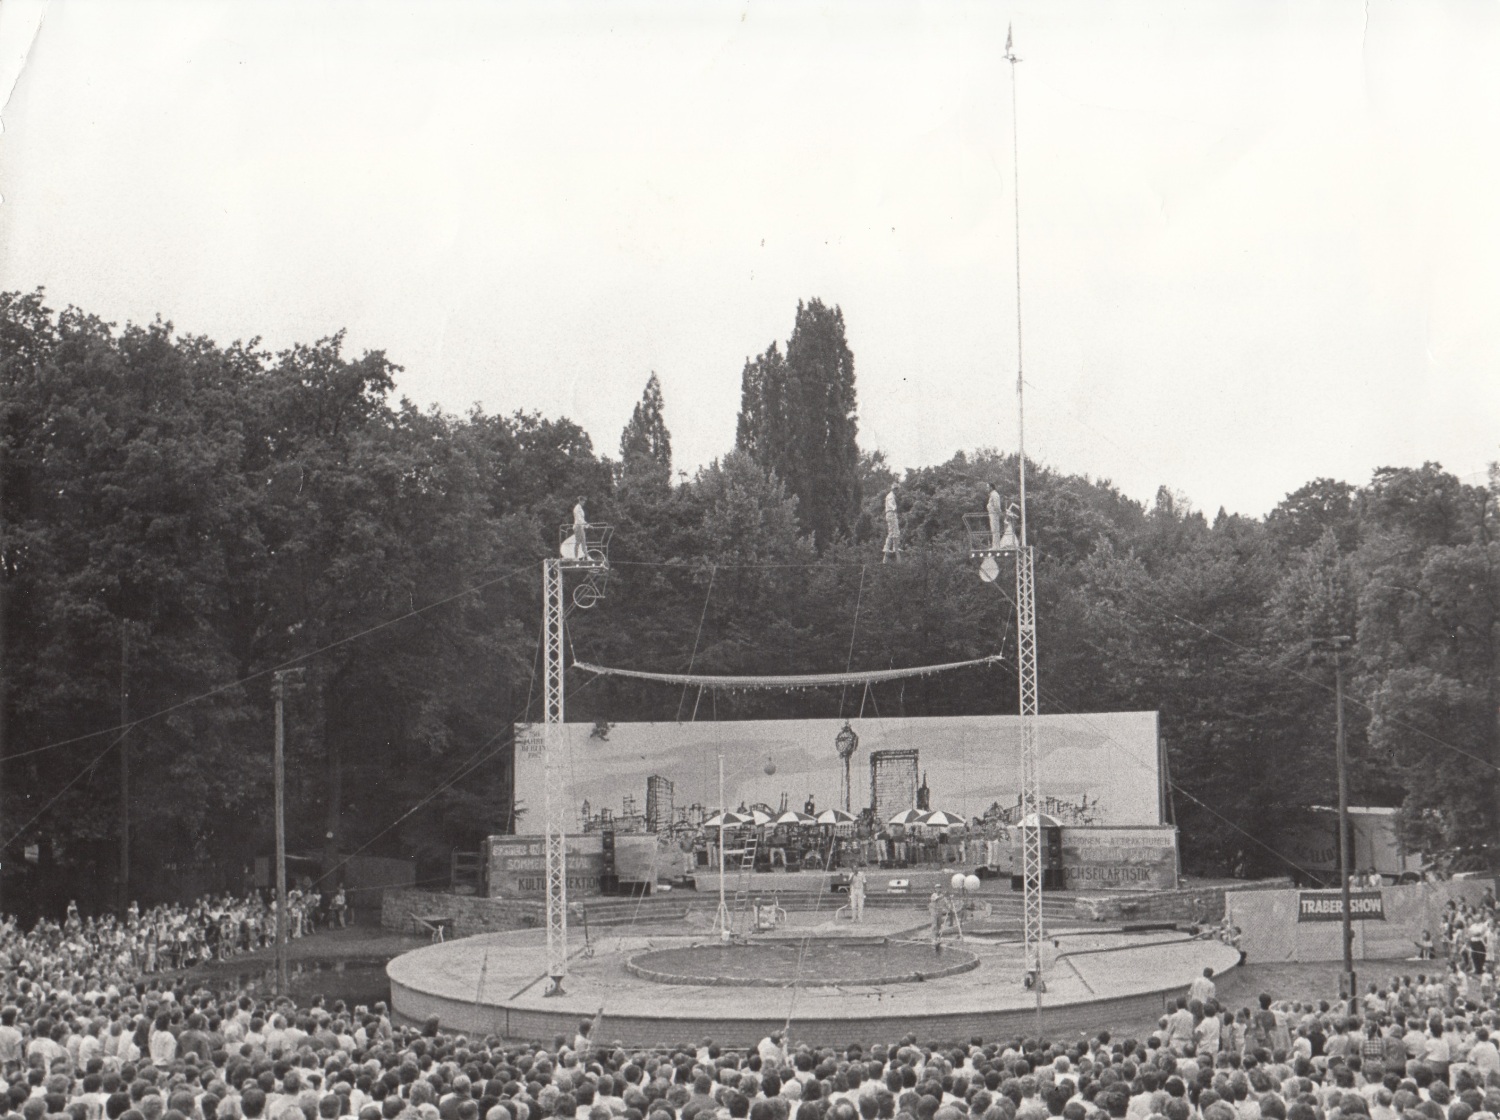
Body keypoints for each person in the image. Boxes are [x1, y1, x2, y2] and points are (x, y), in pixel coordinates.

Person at [882, 486, 901, 562]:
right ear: (894, 489)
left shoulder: (892, 496)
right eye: (896, 490)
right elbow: (890, 503)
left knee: (895, 531)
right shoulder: (890, 496)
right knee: (893, 532)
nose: (897, 491)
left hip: (892, 514)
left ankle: (895, 547)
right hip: (891, 513)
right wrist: (893, 508)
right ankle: (888, 548)